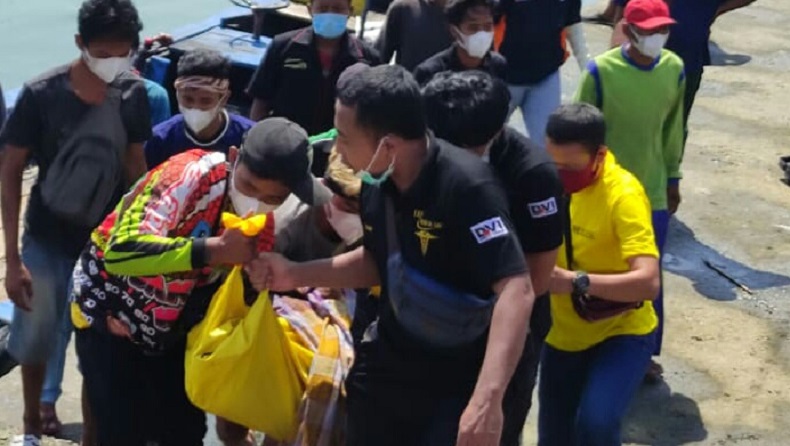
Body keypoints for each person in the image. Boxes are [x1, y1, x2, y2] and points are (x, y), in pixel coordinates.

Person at [247, 64, 536, 445]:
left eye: (346, 138)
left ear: (389, 145)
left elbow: (517, 288)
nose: (337, 149)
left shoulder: (467, 188)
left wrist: (488, 399)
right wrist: (294, 273)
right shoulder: (374, 182)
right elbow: (376, 262)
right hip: (391, 360)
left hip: (457, 375)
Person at [71, 117, 325, 445]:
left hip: (179, 330)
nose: (258, 202)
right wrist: (212, 250)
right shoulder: (188, 175)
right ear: (234, 157)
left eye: (273, 198)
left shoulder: (282, 213)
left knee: (184, 431)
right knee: (120, 431)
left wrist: (258, 275)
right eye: (249, 187)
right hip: (113, 314)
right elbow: (120, 251)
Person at [0, 0, 151, 444]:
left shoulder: (133, 93)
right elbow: (10, 173)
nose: (113, 63)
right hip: (46, 238)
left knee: (98, 349)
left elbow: (136, 168)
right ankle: (30, 423)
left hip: (104, 246)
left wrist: (144, 243)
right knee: (34, 339)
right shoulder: (41, 93)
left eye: (123, 52)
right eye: (103, 53)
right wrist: (12, 259)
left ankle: (92, 437)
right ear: (80, 44)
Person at [422, 70, 563, 446]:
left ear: (497, 131)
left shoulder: (533, 175)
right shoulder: (431, 150)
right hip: (439, 321)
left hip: (506, 334)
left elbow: (537, 276)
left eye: (466, 149)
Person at [218, 148, 365, 446]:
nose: (355, 215)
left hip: (316, 349)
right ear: (327, 189)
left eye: (361, 208)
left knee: (288, 427)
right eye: (348, 204)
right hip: (262, 325)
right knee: (230, 426)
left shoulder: (373, 230)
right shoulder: (287, 219)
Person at [539, 103, 661, 446]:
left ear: (600, 154)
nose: (560, 175)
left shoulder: (623, 195)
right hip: (562, 335)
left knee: (596, 424)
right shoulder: (540, 178)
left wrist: (576, 281)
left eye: (571, 166)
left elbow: (648, 282)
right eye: (554, 163)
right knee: (553, 438)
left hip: (621, 330)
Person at [575, 0, 684, 379]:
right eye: (649, 30)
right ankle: (594, 340)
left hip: (651, 191)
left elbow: (673, 129)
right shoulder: (601, 72)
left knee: (647, 277)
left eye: (662, 29)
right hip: (604, 190)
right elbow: (579, 131)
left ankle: (644, 351)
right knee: (599, 267)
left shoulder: (674, 69)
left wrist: (673, 177)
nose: (657, 37)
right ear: (629, 29)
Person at [609, 0, 756, 136]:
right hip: (638, 67)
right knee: (629, 126)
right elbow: (621, 17)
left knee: (674, 130)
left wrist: (717, 9)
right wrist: (617, 61)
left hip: (688, 65)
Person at [247, 0, 379, 134]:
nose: (330, 14)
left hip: (336, 150)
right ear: (310, 10)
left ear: (350, 12)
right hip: (284, 145)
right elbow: (261, 102)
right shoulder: (282, 47)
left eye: (337, 9)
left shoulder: (367, 59)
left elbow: (372, 115)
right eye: (323, 9)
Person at [497, 0, 588, 146]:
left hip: (545, 78)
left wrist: (587, 67)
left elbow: (572, 23)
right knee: (484, 143)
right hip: (501, 79)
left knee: (549, 146)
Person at [146, 49, 255, 169]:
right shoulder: (160, 140)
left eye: (206, 101)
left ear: (224, 99)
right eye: (188, 99)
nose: (195, 108)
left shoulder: (250, 138)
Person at [412, 0, 506, 86]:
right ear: (454, 31)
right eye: (473, 27)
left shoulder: (498, 65)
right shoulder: (430, 73)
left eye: (487, 26)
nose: (481, 34)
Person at [376, 0, 454, 71]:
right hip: (410, 85)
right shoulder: (403, 9)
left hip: (455, 85)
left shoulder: (463, 13)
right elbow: (377, 61)